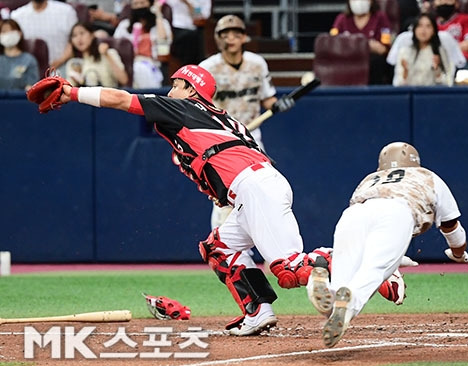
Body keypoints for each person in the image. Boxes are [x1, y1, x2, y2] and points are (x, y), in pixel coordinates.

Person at [56, 64, 331, 336]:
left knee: (290, 271)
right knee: (220, 248)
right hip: (258, 185)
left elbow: (120, 99)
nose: (171, 90)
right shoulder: (227, 119)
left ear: (191, 88)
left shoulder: (183, 107)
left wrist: (72, 93)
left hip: (253, 188)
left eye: (176, 85)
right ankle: (258, 312)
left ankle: (345, 261)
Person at [306, 141, 468, 348]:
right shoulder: (428, 176)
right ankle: (348, 305)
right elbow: (450, 225)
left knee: (341, 283)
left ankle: (320, 284)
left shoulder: (370, 179)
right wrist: (458, 252)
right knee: (374, 270)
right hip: (397, 212)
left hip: (353, 215)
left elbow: (370, 225)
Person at [199, 14, 295, 229]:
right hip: (221, 138)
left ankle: (267, 244)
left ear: (244, 38)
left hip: (252, 137)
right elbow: (198, 106)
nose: (230, 39)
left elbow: (267, 99)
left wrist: (279, 104)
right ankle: (221, 248)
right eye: (225, 35)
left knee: (263, 187)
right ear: (217, 39)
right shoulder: (208, 68)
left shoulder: (257, 64)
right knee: (223, 193)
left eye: (236, 34)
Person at [330, 0, 394, 85]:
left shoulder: (381, 17)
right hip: (347, 60)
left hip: (372, 63)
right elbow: (332, 42)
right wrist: (364, 44)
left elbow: (383, 49)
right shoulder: (341, 19)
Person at [113, 0, 173, 88]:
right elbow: (116, 45)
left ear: (150, 4)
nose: (139, 7)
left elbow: (164, 42)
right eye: (136, 4)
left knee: (140, 68)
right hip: (128, 64)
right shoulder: (124, 25)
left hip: (152, 64)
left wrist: (158, 14)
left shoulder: (161, 23)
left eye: (142, 3)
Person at [11, 0, 78, 69]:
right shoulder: (17, 16)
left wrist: (58, 62)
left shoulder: (66, 11)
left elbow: (73, 41)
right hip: (27, 69)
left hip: (61, 67)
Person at [393, 13, 454, 86]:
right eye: (420, 26)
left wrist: (437, 72)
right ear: (414, 29)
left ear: (434, 31)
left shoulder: (440, 51)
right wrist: (405, 72)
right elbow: (397, 83)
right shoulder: (404, 51)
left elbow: (449, 82)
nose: (423, 30)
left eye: (428, 26)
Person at [65, 22, 129, 87]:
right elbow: (69, 88)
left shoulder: (108, 53)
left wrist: (107, 55)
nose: (79, 38)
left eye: (82, 33)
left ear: (92, 35)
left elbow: (124, 80)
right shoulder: (73, 63)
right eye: (74, 36)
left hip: (108, 94)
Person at [434, 0, 468, 68]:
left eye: (447, 0)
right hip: (437, 65)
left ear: (456, 3)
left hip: (461, 64)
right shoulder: (429, 25)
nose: (443, 3)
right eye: (440, 0)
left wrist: (447, 50)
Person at [166, 0, 211, 74]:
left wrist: (187, 3)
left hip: (195, 29)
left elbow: (200, 17)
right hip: (175, 28)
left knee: (192, 38)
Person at [0, 19, 39, 90]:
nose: (8, 34)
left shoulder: (29, 60)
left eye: (11, 30)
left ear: (19, 33)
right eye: (4, 31)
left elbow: (31, 88)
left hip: (20, 99)